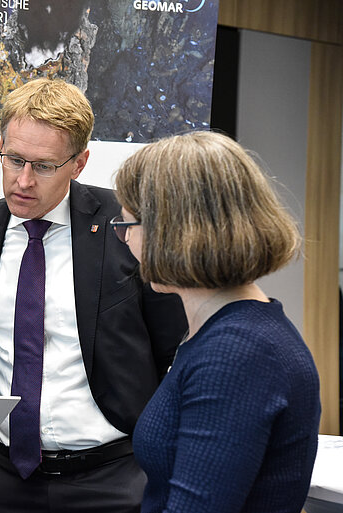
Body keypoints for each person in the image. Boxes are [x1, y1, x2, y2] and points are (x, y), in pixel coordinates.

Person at [0, 77, 188, 512]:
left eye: (42, 166)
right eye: (13, 159)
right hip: (4, 481)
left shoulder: (128, 226)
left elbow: (175, 348)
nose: (22, 180)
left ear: (79, 164)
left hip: (115, 479)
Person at [112, 130, 321, 512]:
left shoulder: (237, 354)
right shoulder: (224, 334)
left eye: (128, 225)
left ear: (170, 232)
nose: (126, 240)